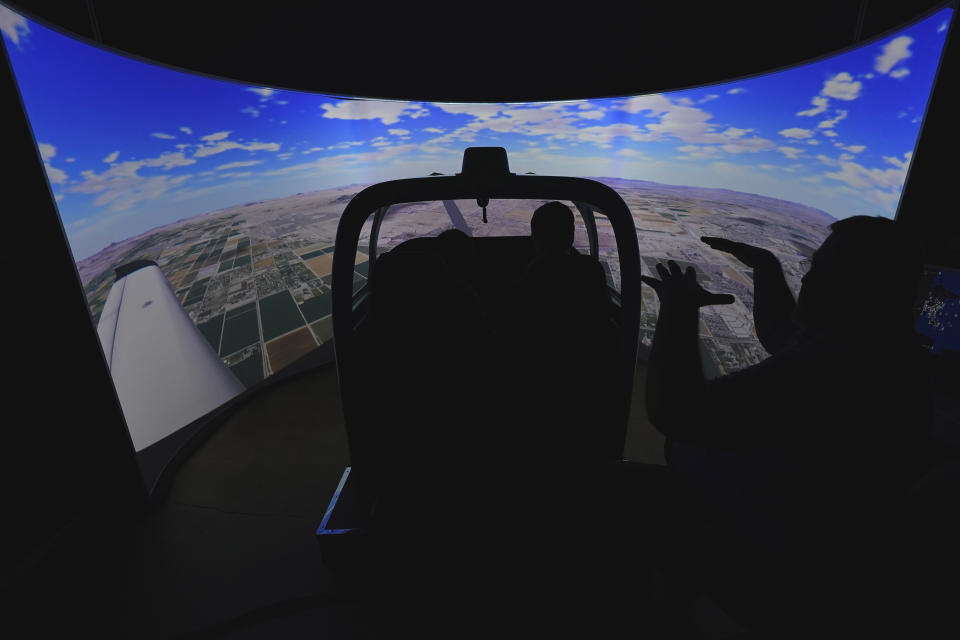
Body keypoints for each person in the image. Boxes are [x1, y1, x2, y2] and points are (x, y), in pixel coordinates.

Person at [639, 215, 936, 635]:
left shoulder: (833, 371)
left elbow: (675, 412)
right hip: (815, 526)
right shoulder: (880, 347)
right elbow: (781, 334)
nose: (811, 281)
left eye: (828, 270)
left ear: (865, 289)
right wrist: (765, 266)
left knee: (646, 518)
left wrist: (678, 307)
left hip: (770, 549)